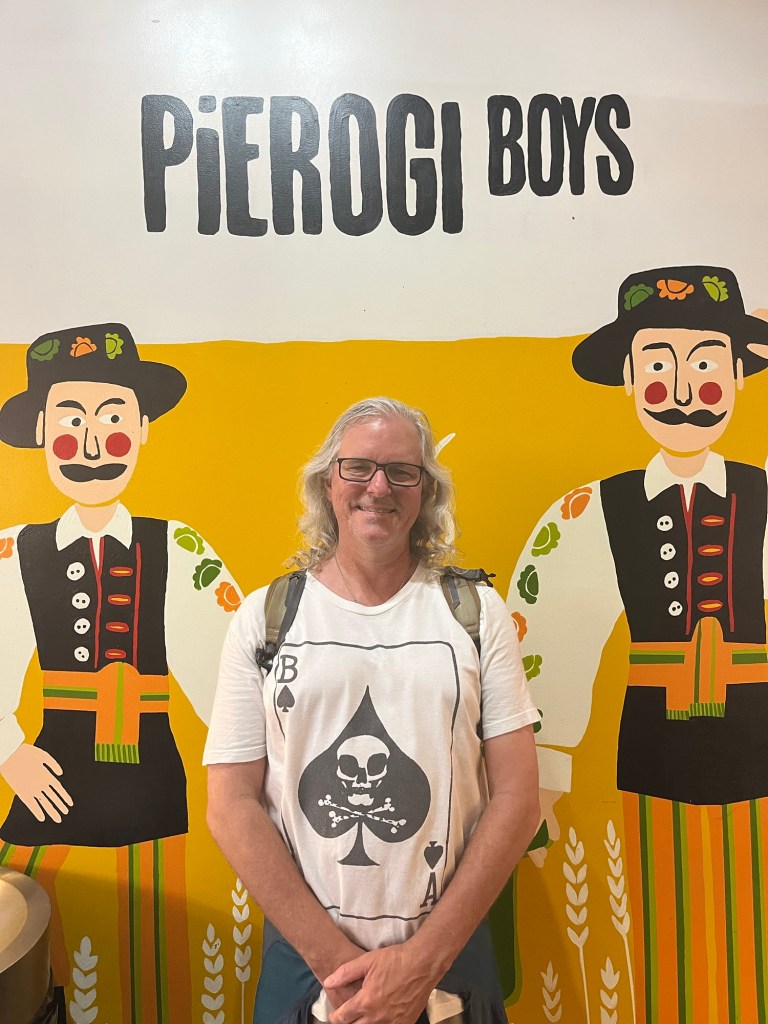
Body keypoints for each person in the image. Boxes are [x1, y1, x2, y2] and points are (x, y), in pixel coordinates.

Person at [205, 397, 540, 1024]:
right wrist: (337, 967)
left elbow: (519, 798)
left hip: (451, 965)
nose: (378, 487)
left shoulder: (476, 615)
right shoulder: (265, 618)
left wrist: (421, 965)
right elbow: (229, 805)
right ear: (327, 483)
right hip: (305, 966)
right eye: (357, 467)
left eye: (402, 471)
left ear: (426, 491)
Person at [508, 266, 768, 1023]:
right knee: (662, 926)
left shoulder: (765, 494)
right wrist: (543, 776)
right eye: (659, 364)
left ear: (739, 374)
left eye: (705, 364)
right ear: (627, 377)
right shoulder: (591, 511)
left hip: (758, 743)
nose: (683, 390)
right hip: (652, 748)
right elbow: (546, 641)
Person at [0, 322, 241, 1024]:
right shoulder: (14, 553)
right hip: (47, 784)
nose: (93, 445)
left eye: (112, 420)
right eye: (71, 423)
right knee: (33, 946)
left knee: (163, 947)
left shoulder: (181, 549)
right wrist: (10, 754)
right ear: (41, 432)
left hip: (152, 783)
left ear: (142, 429)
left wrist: (245, 784)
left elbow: (233, 679)